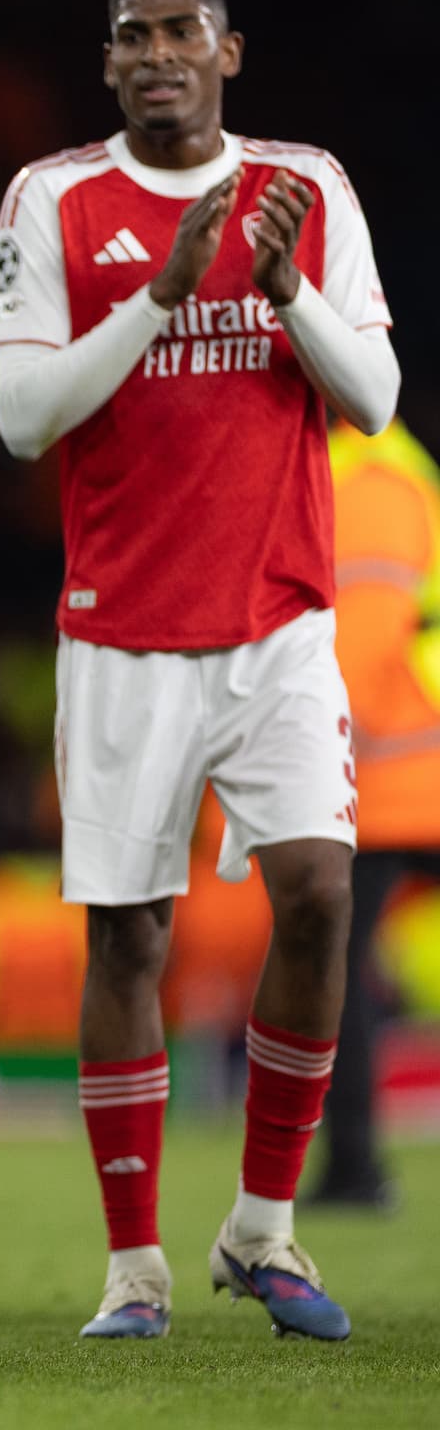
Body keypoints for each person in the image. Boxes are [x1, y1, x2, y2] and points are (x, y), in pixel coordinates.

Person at [0, 0, 399, 1342]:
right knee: (131, 938)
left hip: (280, 620)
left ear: (230, 51)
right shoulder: (54, 198)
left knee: (324, 894)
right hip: (122, 634)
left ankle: (266, 1233)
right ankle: (133, 1272)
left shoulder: (310, 188)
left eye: (181, 34)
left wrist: (283, 289)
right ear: (109, 66)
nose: (157, 55)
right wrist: (162, 293)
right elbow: (26, 418)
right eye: (132, 38)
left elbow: (376, 402)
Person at [309, 416, 440, 1207]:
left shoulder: (371, 478)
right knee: (332, 959)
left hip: (395, 759)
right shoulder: (363, 465)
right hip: (394, 755)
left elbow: (362, 635)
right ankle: (351, 1163)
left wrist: (295, 746)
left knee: (329, 962)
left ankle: (355, 1165)